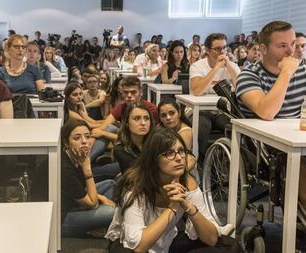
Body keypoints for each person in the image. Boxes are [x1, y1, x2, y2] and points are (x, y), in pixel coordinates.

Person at [106, 128, 242, 253]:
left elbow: (211, 239)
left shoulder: (188, 183)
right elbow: (139, 246)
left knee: (229, 246)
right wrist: (172, 208)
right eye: (169, 153)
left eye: (181, 151)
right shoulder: (134, 187)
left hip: (166, 242)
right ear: (154, 159)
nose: (179, 158)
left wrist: (189, 207)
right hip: (130, 245)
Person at [236, 20, 306, 212]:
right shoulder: (249, 75)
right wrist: (286, 73)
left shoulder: (303, 71)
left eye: (293, 44)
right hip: (271, 146)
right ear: (263, 49)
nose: (291, 51)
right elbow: (267, 112)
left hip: (299, 136)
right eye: (282, 46)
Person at [61, 119, 116, 237]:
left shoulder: (75, 155)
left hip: (73, 201)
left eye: (87, 136)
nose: (85, 142)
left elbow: (82, 187)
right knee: (111, 212)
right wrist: (87, 170)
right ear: (66, 143)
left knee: (111, 184)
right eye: (77, 138)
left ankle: (93, 224)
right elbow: (93, 204)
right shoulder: (65, 168)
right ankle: (90, 227)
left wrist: (100, 197)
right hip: (60, 219)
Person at [189, 33, 240, 158]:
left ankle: (226, 160)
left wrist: (228, 65)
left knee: (235, 125)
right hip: (198, 110)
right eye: (217, 49)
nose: (221, 51)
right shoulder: (197, 66)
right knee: (203, 126)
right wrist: (216, 68)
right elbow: (197, 91)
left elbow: (241, 87)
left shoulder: (232, 66)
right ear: (207, 50)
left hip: (221, 110)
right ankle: (201, 161)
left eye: (224, 48)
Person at [113, 104, 155, 174]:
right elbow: (141, 173)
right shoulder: (120, 149)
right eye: (136, 118)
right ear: (127, 123)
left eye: (146, 118)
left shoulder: (156, 142)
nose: (143, 123)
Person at [158, 98, 196, 172]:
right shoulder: (159, 128)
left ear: (179, 113)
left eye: (172, 113)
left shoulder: (185, 132)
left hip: (184, 170)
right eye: (163, 115)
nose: (168, 118)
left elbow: (183, 159)